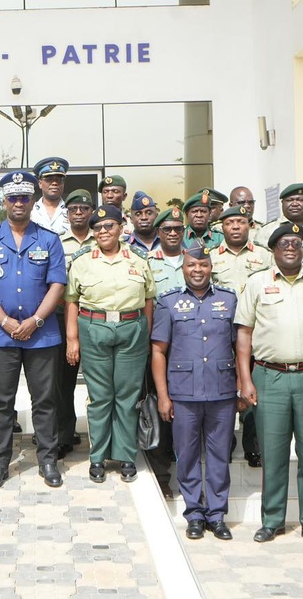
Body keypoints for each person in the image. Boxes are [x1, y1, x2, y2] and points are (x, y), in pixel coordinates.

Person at [235, 223, 303, 548]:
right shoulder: (256, 284)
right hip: (270, 378)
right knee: (274, 453)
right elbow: (243, 334)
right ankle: (272, 521)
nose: (290, 248)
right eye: (284, 243)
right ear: (273, 250)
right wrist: (245, 378)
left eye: (296, 243)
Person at [0, 171, 67, 490]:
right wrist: (5, 321)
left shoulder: (48, 239)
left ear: (32, 201)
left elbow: (57, 284)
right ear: (4, 201)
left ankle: (47, 460)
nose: (18, 203)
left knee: (44, 400)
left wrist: (36, 320)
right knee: (1, 401)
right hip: (1, 334)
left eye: (24, 198)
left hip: (41, 333)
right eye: (12, 197)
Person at [151, 246, 238, 540]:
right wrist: (163, 396)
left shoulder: (228, 300)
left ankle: (217, 514)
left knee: (218, 456)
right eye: (191, 265)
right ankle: (194, 514)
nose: (197, 270)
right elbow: (159, 351)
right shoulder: (169, 302)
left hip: (222, 392)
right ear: (183, 269)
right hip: (183, 394)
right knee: (186, 456)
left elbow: (241, 348)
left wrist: (242, 387)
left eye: (202, 264)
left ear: (210, 267)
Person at [65, 205, 155, 483]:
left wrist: (146, 335)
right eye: (98, 228)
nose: (104, 231)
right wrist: (72, 340)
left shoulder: (138, 259)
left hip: (131, 328)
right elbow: (71, 301)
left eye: (109, 226)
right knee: (101, 396)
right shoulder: (82, 261)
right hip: (93, 328)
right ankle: (98, 456)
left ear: (120, 228)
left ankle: (127, 456)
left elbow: (149, 298)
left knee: (127, 397)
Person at [210, 205, 272, 468]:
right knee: (223, 386)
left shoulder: (265, 256)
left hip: (256, 331)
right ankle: (224, 442)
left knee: (253, 387)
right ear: (221, 227)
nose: (235, 227)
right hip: (220, 332)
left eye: (240, 222)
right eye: (229, 223)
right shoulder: (211, 256)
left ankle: (253, 446)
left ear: (249, 225)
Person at [144, 206, 187, 497]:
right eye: (167, 229)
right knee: (159, 407)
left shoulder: (196, 260)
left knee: (187, 409)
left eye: (177, 229)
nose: (172, 233)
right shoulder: (146, 262)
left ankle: (186, 466)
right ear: (158, 233)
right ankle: (161, 473)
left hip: (191, 347)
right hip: (158, 345)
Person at [56, 189, 96, 458]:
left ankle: (100, 438)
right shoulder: (57, 242)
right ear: (66, 214)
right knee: (62, 382)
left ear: (91, 211)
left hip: (96, 319)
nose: (78, 213)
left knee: (99, 383)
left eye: (83, 209)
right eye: (73, 210)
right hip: (62, 316)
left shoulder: (104, 237)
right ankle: (64, 436)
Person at [30, 156, 70, 235]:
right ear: (40, 183)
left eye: (59, 180)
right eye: (49, 180)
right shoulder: (30, 211)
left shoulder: (72, 211)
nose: (54, 183)